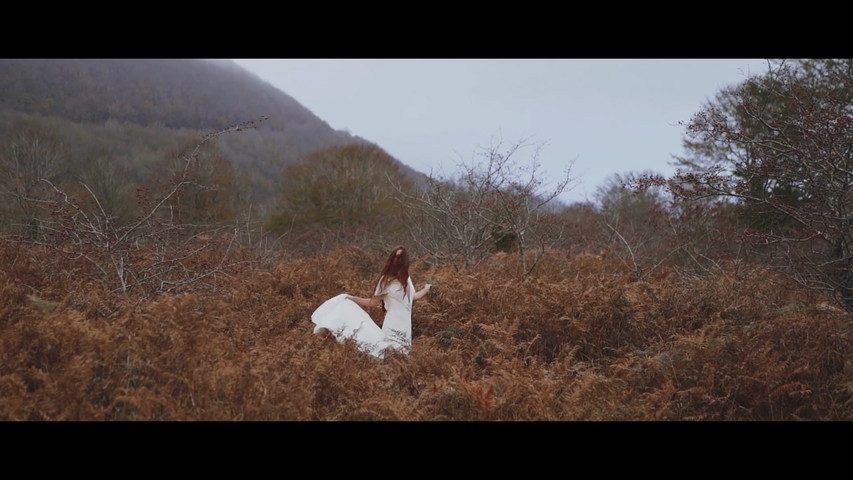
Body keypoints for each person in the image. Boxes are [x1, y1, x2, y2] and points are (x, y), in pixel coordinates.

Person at [311, 246, 432, 358]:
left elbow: (411, 298)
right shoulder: (385, 280)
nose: (396, 260)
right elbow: (373, 303)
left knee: (402, 357)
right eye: (394, 256)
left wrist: (426, 289)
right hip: (393, 323)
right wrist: (353, 299)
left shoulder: (406, 278)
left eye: (400, 257)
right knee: (388, 355)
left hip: (405, 324)